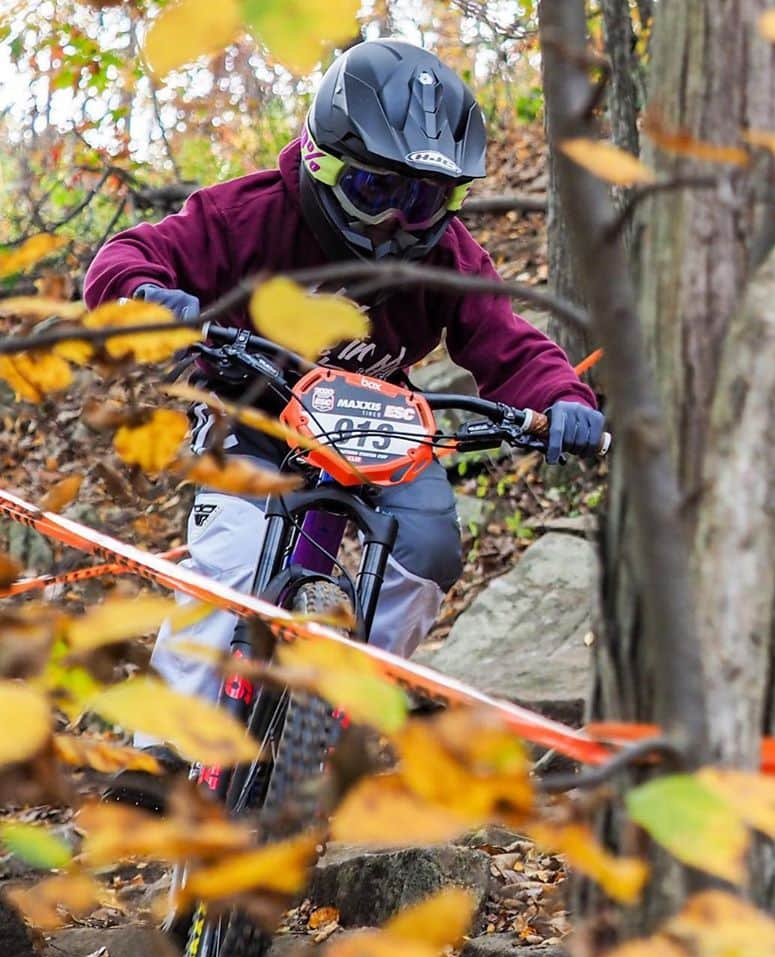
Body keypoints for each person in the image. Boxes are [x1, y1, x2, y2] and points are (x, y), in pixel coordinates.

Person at [83, 39, 604, 791]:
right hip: (255, 415)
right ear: (324, 164)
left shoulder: (447, 254)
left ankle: (344, 712)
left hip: (378, 428)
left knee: (429, 546)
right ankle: (162, 748)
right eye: (372, 188)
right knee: (231, 558)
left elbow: (507, 340)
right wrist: (144, 297)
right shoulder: (249, 213)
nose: (397, 220)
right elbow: (129, 254)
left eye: (422, 200)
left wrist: (561, 401)